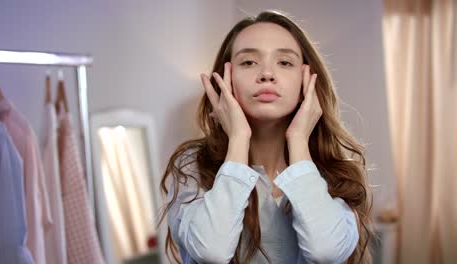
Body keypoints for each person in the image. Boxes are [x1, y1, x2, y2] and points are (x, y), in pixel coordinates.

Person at [158, 10, 373, 264]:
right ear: (225, 81)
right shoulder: (192, 165)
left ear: (307, 82)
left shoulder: (336, 174)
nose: (267, 74)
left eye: (285, 62)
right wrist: (238, 138)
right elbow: (211, 252)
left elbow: (325, 251)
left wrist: (298, 141)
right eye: (248, 62)